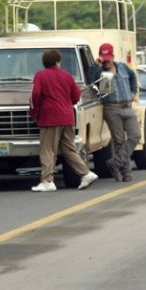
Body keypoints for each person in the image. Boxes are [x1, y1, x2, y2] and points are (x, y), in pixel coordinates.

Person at [30, 50, 99, 191]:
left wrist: (35, 112)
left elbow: (36, 94)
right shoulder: (67, 75)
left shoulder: (40, 75)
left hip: (49, 117)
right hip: (67, 117)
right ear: (57, 62)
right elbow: (76, 95)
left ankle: (47, 181)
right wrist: (67, 103)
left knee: (48, 149)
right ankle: (86, 173)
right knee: (69, 148)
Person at [87, 43, 141, 182]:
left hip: (127, 107)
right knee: (119, 141)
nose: (105, 61)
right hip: (111, 108)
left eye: (107, 58)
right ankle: (126, 173)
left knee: (135, 135)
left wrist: (133, 92)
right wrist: (95, 66)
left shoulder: (122, 67)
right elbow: (90, 83)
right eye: (103, 58)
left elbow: (133, 77)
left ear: (112, 56)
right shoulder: (100, 71)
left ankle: (114, 163)